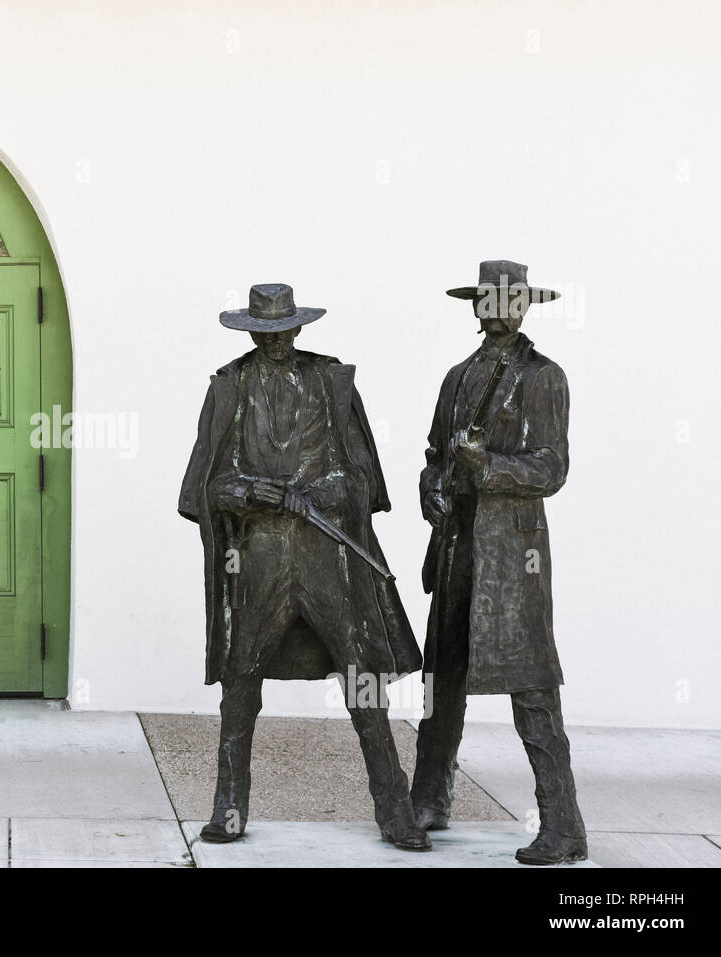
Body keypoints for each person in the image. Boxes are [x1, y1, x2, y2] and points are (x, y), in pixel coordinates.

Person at [178, 283, 427, 849]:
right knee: (241, 681)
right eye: (264, 335)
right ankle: (229, 807)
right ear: (251, 333)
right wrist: (249, 490)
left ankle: (395, 810)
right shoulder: (228, 387)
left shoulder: (331, 383)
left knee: (364, 679)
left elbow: (365, 481)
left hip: (327, 556)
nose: (275, 343)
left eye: (283, 332)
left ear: (298, 328)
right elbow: (205, 488)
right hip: (260, 558)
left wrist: (320, 490)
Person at [412, 260, 587, 865]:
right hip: (459, 544)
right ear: (476, 306)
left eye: (511, 301)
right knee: (443, 679)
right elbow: (434, 454)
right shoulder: (458, 377)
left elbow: (551, 469)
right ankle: (428, 801)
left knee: (532, 686)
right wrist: (432, 486)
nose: (499, 310)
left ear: (525, 307)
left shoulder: (544, 377)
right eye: (489, 300)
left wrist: (487, 466)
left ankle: (563, 827)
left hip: (513, 557)